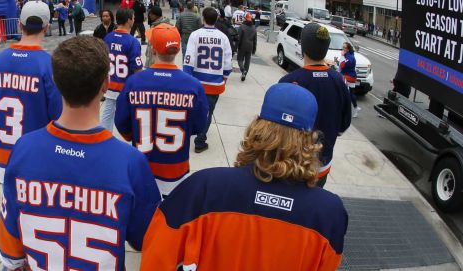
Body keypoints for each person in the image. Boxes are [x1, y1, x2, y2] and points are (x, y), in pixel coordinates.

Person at [140, 83, 348, 271]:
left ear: (257, 125)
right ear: (311, 140)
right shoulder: (329, 214)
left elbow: (156, 258)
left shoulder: (203, 188)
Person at [0, 36, 161, 271]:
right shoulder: (130, 162)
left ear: (55, 81)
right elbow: (144, 238)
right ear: (105, 83)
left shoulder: (24, 149)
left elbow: (11, 254)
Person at [115, 24, 209, 196]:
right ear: (178, 50)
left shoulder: (135, 82)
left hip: (142, 165)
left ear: (153, 50)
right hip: (176, 168)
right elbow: (200, 124)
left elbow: (121, 122)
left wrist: (132, 135)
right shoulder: (193, 86)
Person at [0, 1, 62, 183]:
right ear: (46, 27)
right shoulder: (48, 66)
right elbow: (58, 117)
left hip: (2, 158)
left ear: (19, 24)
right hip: (35, 161)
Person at [279, 23, 351, 187]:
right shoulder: (340, 81)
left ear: (303, 48)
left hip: (291, 166)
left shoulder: (289, 82)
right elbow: (344, 125)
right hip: (321, 165)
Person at [184, 8, 233, 152]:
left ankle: (186, 136)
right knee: (207, 113)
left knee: (190, 111)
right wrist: (224, 78)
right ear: (217, 19)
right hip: (214, 83)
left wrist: (187, 79)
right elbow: (228, 62)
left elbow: (189, 59)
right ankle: (200, 141)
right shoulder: (223, 37)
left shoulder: (195, 35)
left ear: (203, 18)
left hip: (196, 82)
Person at [100, 9, 142, 131]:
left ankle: (104, 140)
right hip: (126, 87)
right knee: (133, 115)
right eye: (133, 18)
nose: (133, 20)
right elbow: (137, 68)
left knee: (107, 114)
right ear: (129, 20)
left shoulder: (108, 37)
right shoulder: (132, 41)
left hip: (110, 84)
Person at [338, 41, 360, 117]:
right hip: (351, 76)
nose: (343, 48)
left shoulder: (349, 57)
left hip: (348, 77)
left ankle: (343, 110)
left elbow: (343, 65)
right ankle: (356, 107)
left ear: (348, 49)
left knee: (343, 92)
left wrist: (342, 57)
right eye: (342, 47)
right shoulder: (350, 54)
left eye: (344, 47)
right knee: (351, 93)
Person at [236, 12, 257, 81]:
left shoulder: (242, 26)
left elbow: (238, 38)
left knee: (240, 60)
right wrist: (254, 49)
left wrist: (236, 47)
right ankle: (244, 73)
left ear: (245, 18)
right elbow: (255, 40)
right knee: (247, 61)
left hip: (242, 46)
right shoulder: (254, 28)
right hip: (250, 46)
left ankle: (243, 70)